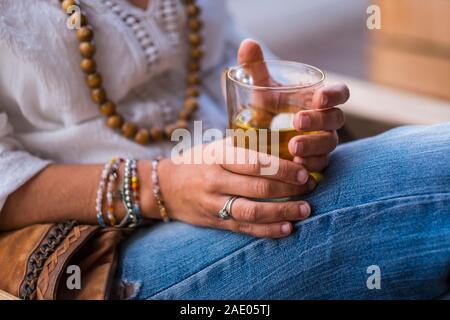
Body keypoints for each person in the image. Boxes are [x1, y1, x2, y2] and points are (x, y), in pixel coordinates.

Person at [0, 0, 448, 299]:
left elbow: (238, 65)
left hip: (243, 187)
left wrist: (280, 115)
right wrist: (163, 186)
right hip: (113, 250)